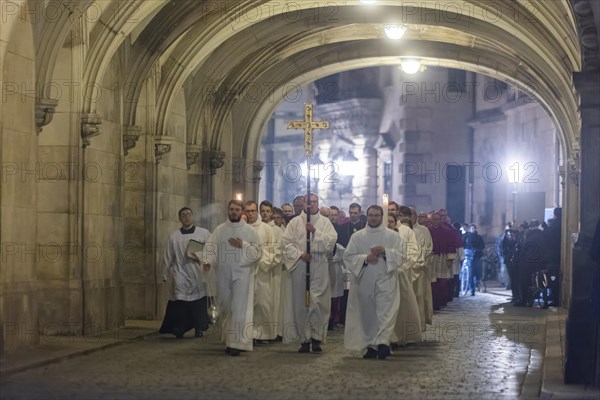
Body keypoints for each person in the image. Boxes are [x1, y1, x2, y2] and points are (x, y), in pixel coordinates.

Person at [343, 205, 405, 360]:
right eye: (371, 215)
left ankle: (383, 343)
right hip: (364, 280)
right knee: (368, 314)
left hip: (386, 279)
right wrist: (365, 258)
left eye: (377, 215)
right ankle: (371, 346)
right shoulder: (357, 237)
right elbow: (348, 257)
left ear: (381, 216)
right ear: (367, 216)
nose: (373, 218)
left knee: (385, 312)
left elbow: (402, 255)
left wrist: (385, 251)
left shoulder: (392, 236)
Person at [281, 193, 337, 353]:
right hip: (300, 267)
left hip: (319, 268)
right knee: (302, 303)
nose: (311, 205)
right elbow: (285, 243)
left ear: (318, 203)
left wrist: (315, 232)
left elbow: (330, 242)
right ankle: (304, 339)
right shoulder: (294, 222)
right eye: (308, 202)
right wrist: (300, 254)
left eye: (314, 202)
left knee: (318, 302)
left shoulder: (325, 222)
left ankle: (317, 338)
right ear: (304, 204)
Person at [203, 200, 261, 356]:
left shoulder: (250, 231)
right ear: (227, 211)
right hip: (223, 274)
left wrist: (243, 245)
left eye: (236, 209)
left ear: (241, 211)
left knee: (239, 308)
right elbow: (210, 249)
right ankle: (229, 341)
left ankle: (237, 343)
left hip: (242, 274)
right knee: (227, 308)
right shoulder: (220, 230)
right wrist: (207, 262)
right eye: (231, 209)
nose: (233, 212)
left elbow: (257, 253)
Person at [159, 207, 212, 339]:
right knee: (180, 302)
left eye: (188, 214)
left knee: (198, 303)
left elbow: (212, 250)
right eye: (183, 215)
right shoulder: (174, 236)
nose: (186, 217)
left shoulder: (203, 233)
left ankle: (198, 328)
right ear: (179, 218)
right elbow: (168, 256)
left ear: (192, 216)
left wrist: (201, 259)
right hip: (180, 271)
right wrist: (164, 273)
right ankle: (180, 328)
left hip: (196, 271)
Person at [245, 201, 281, 343]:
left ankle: (262, 334)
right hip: (246, 271)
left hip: (261, 271)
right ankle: (248, 333)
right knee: (247, 304)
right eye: (248, 211)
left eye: (253, 211)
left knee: (262, 303)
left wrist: (259, 258)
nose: (251, 214)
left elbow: (274, 251)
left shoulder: (267, 229)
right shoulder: (243, 228)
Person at [392, 206, 421, 346]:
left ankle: (399, 335)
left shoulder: (406, 231)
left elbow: (413, 251)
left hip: (400, 275)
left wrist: (401, 268)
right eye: (388, 210)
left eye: (392, 210)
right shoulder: (378, 232)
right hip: (381, 276)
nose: (390, 213)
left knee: (401, 305)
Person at [411, 207, 434, 330]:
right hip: (405, 270)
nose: (411, 217)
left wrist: (418, 262)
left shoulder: (423, 230)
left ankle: (420, 324)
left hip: (419, 270)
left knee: (419, 296)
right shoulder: (402, 229)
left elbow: (428, 249)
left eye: (413, 214)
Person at [543, 207, 562, 305]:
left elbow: (549, 235)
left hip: (554, 256)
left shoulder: (557, 224)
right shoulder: (559, 223)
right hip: (555, 255)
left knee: (554, 279)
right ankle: (554, 297)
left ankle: (555, 299)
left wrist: (545, 227)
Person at [463, 224, 485, 296]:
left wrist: (477, 249)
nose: (473, 229)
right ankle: (472, 290)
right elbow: (463, 245)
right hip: (469, 257)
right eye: (472, 228)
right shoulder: (466, 237)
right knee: (471, 274)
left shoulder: (479, 237)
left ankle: (477, 285)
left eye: (474, 228)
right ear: (470, 229)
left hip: (477, 257)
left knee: (478, 273)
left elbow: (482, 246)